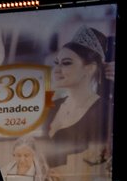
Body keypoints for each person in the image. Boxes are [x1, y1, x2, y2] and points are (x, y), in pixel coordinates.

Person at [45, 27, 110, 159]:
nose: (57, 70)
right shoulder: (53, 106)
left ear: (90, 69)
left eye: (66, 63)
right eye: (56, 63)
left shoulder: (103, 110)